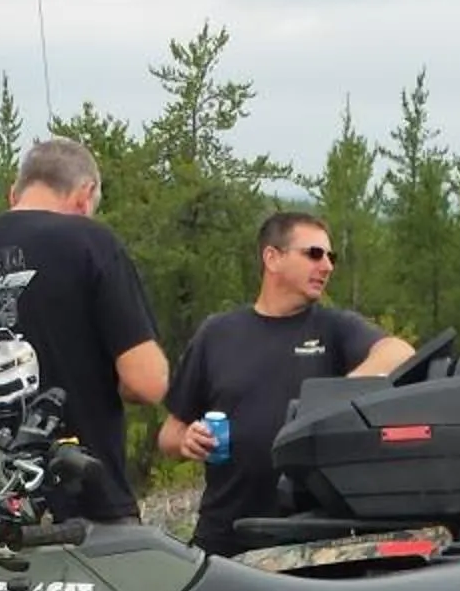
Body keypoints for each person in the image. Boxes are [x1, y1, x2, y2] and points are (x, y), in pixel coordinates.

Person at [0, 136, 168, 523]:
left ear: (14, 194)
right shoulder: (92, 243)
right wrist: (78, 378)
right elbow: (148, 382)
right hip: (86, 509)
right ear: (85, 196)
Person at [157, 212, 415, 555]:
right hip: (225, 533)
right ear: (272, 258)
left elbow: (399, 351)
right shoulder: (217, 333)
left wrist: (338, 395)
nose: (326, 266)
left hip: (309, 533)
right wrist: (187, 440)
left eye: (330, 257)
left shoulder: (332, 328)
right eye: (313, 254)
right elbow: (168, 434)